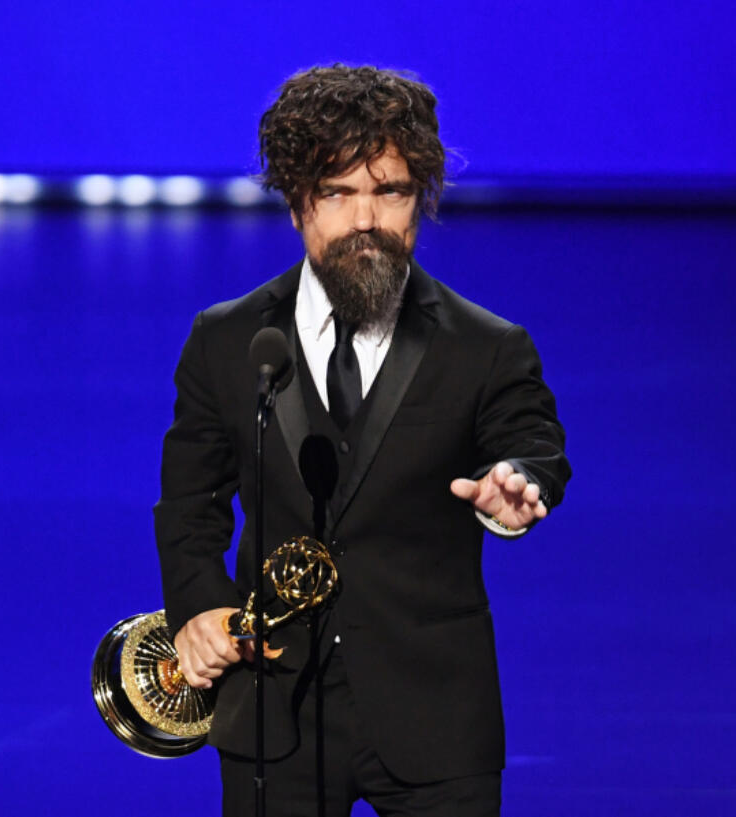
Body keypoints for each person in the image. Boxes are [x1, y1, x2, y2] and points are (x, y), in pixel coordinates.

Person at [155, 64, 571, 817]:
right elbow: (189, 504)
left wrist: (515, 482)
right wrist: (198, 609)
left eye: (391, 191)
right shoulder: (226, 340)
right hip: (274, 708)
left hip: (435, 715)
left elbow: (530, 440)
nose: (365, 219)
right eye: (336, 193)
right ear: (296, 206)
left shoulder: (487, 347)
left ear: (421, 201)